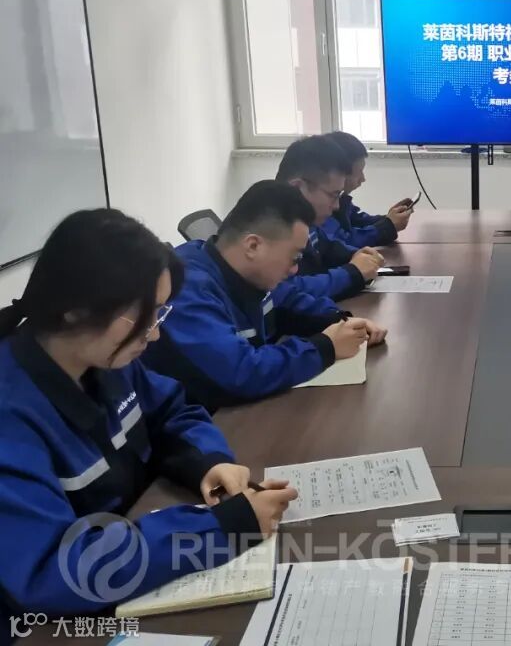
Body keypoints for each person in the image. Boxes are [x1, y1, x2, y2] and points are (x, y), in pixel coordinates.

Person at [0, 209, 297, 627]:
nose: (154, 333)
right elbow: (52, 569)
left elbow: (172, 410)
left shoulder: (107, 360)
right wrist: (224, 527)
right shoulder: (11, 414)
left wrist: (207, 461)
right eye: (144, 315)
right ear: (74, 309)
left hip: (129, 559)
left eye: (160, 312)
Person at [143, 181, 387, 412]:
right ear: (253, 246)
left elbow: (288, 300)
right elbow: (241, 372)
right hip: (205, 420)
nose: (295, 269)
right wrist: (325, 347)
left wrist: (339, 321)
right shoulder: (185, 287)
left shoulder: (249, 272)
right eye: (294, 257)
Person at [277, 134, 384, 301]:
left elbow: (328, 247)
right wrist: (352, 273)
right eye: (333, 195)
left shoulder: (305, 221)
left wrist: (358, 255)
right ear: (298, 188)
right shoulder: (269, 228)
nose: (336, 206)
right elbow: (285, 291)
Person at [322, 131, 412, 248]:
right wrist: (388, 226)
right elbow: (344, 242)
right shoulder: (320, 206)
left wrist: (388, 219)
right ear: (341, 172)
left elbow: (357, 220)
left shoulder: (339, 199)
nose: (363, 179)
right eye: (359, 171)